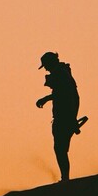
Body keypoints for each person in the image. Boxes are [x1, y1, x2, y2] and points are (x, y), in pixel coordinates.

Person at [35, 51, 83, 182]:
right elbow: (72, 96)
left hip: (64, 118)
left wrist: (45, 98)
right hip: (64, 117)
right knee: (60, 149)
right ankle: (65, 178)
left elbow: (65, 94)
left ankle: (65, 179)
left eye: (46, 65)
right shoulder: (63, 73)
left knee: (60, 149)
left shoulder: (61, 74)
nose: (45, 68)